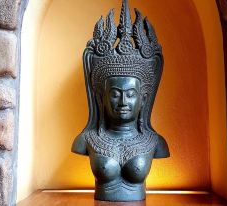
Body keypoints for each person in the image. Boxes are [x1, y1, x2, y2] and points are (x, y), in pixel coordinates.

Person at [72, 0, 169, 201]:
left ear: (143, 98)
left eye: (131, 94)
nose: (123, 101)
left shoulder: (155, 142)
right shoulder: (86, 140)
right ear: (101, 97)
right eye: (115, 94)